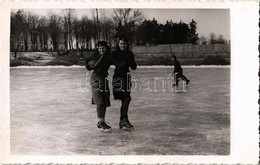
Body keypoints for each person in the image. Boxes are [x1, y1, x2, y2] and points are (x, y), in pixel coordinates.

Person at [85, 41, 113, 132]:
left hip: (104, 78)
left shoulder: (109, 56)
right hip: (96, 78)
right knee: (100, 99)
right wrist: (89, 66)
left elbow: (116, 62)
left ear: (106, 48)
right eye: (100, 48)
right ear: (97, 48)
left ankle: (102, 121)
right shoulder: (95, 55)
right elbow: (86, 60)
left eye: (103, 48)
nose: (101, 50)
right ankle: (100, 122)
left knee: (104, 100)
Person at [112, 36, 137, 130]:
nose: (123, 45)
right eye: (121, 43)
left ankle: (122, 120)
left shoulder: (130, 53)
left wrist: (130, 60)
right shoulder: (114, 54)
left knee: (125, 99)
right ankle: (124, 119)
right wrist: (126, 60)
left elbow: (134, 67)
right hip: (118, 78)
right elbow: (118, 66)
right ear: (118, 44)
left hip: (126, 77)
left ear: (127, 45)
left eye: (124, 44)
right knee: (126, 98)